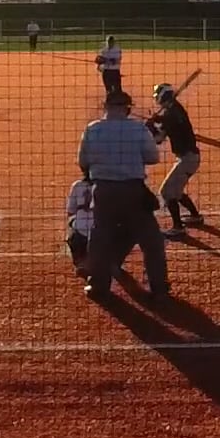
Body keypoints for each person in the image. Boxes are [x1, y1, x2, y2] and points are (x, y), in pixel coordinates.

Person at [76, 88, 168, 302]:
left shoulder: (92, 129)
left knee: (100, 238)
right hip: (133, 191)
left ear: (105, 107)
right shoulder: (137, 129)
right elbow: (153, 158)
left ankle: (98, 285)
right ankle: (159, 288)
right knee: (151, 241)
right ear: (127, 109)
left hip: (103, 191)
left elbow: (83, 162)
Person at [145, 82, 204, 238]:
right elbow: (162, 134)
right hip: (189, 158)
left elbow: (161, 135)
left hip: (187, 159)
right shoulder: (174, 110)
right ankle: (195, 216)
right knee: (175, 191)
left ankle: (178, 227)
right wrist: (155, 123)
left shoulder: (172, 114)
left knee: (166, 192)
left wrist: (152, 125)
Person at [64, 174, 95, 278]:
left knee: (72, 227)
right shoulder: (107, 186)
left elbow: (70, 211)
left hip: (81, 233)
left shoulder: (77, 185)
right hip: (101, 233)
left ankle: (80, 262)